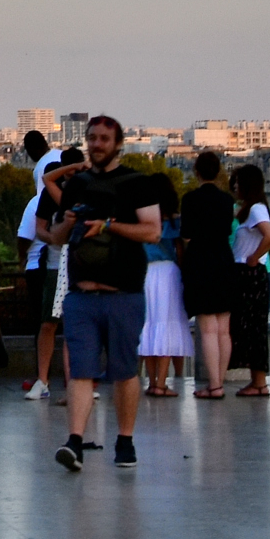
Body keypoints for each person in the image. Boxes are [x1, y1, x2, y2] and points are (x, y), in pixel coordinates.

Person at [38, 115, 160, 469]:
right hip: (81, 294)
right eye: (92, 138)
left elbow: (152, 232)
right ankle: (74, 441)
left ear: (118, 143)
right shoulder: (77, 185)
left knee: (124, 371)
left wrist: (108, 225)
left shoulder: (138, 183)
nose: (96, 144)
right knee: (81, 371)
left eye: (104, 139)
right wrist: (69, 223)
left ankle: (125, 440)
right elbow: (57, 238)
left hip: (123, 292)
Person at [21, 136, 75, 401]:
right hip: (59, 264)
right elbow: (41, 229)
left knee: (58, 326)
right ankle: (51, 380)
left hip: (65, 264)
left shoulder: (53, 192)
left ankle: (62, 380)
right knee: (51, 324)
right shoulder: (51, 195)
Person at [180, 151, 236, 398]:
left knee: (208, 328)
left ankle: (214, 385)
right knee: (224, 328)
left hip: (201, 261)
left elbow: (187, 234)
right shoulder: (227, 200)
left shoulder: (190, 199)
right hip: (224, 259)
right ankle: (219, 382)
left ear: (197, 171)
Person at [139, 174, 191, 396]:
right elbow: (180, 251)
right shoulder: (175, 220)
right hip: (169, 273)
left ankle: (151, 382)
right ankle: (162, 382)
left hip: (146, 273)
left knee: (149, 325)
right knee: (168, 325)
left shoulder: (142, 220)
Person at [229, 165, 270, 396]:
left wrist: (254, 257)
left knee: (252, 328)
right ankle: (257, 380)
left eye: (238, 182)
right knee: (252, 327)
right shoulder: (254, 208)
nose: (235, 186)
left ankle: (259, 382)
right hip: (250, 272)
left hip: (249, 272)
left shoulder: (256, 210)